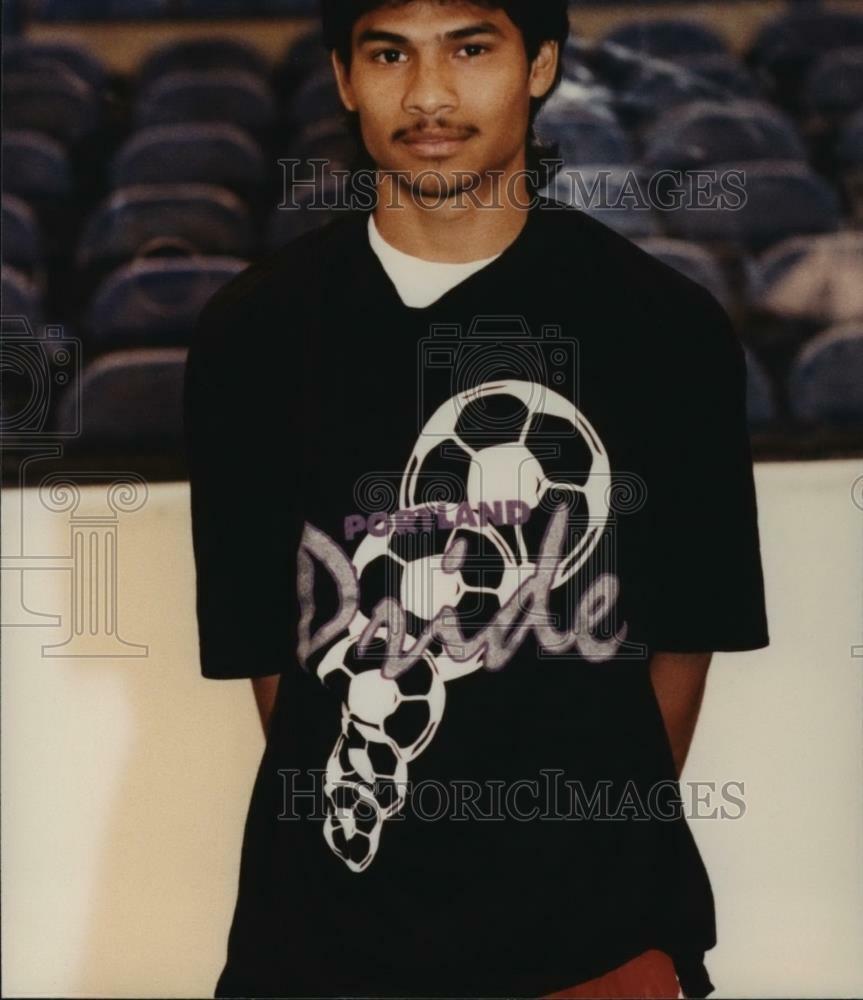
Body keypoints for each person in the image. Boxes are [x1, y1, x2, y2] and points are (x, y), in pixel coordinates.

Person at [183, 2, 770, 997]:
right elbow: (274, 662)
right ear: (341, 76)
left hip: (598, 939)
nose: (426, 94)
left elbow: (684, 641)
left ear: (538, 64)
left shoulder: (661, 329)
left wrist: (575, 858)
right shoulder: (254, 334)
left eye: (469, 47)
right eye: (386, 53)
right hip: (323, 946)